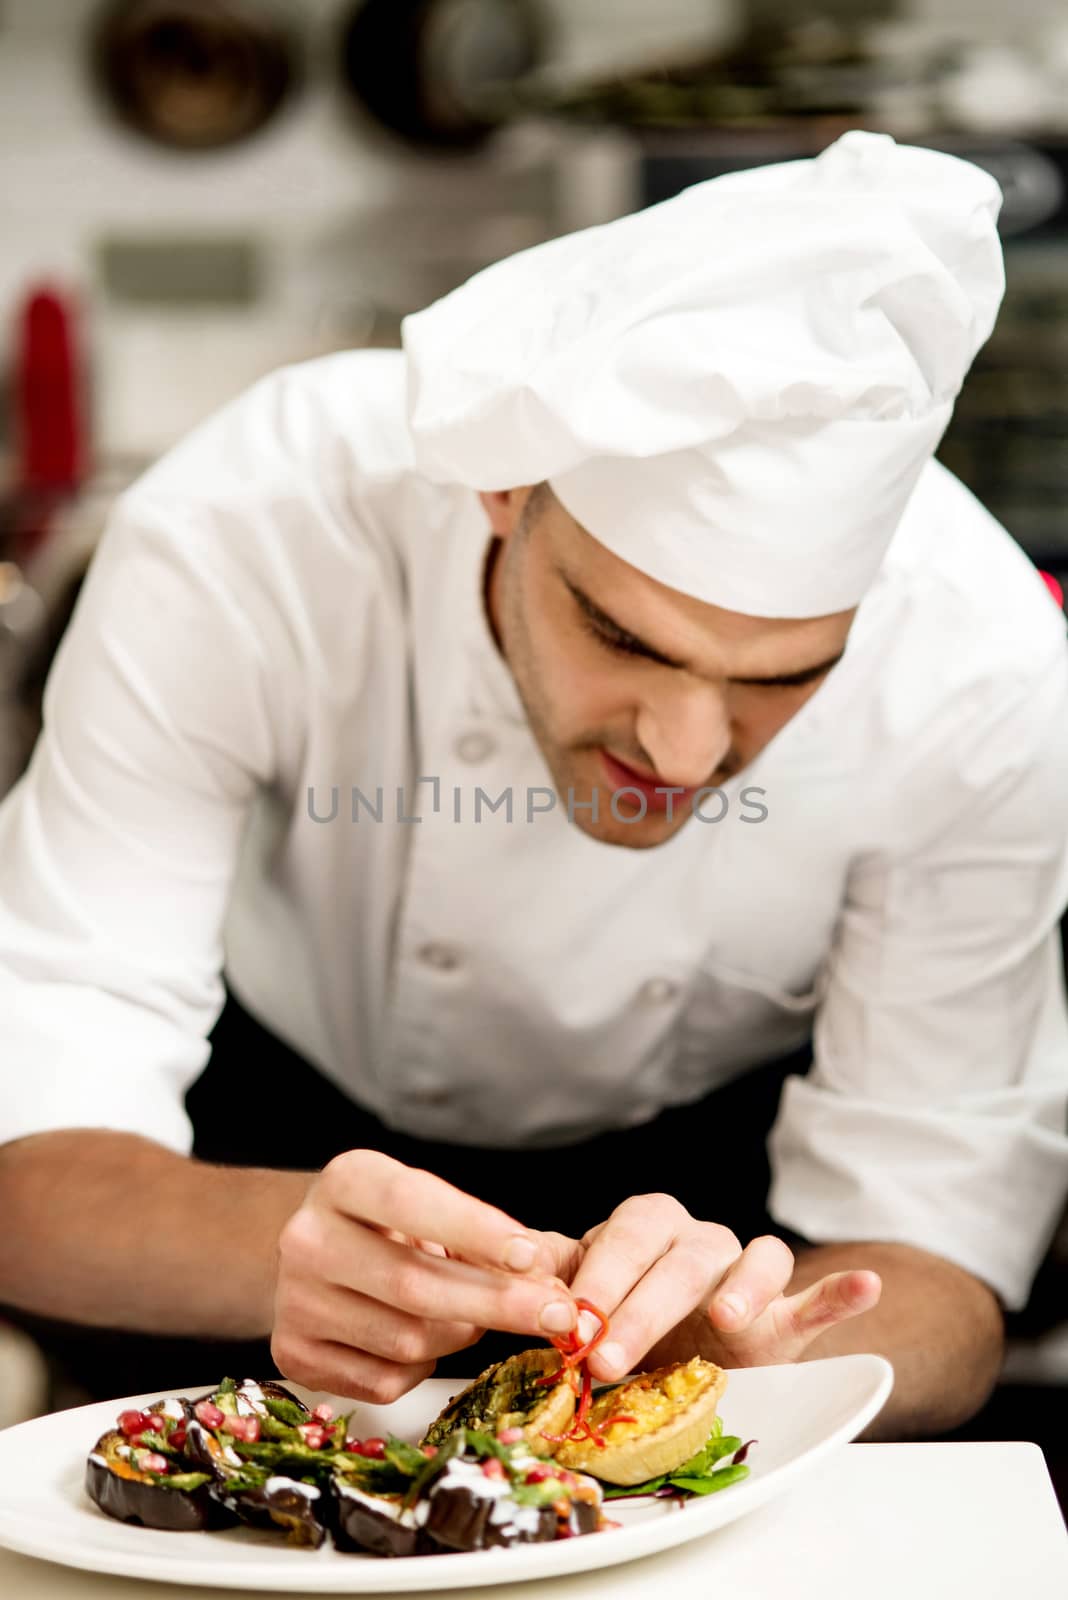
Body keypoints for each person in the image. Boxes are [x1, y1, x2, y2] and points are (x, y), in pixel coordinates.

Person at [1, 131, 1066, 1441]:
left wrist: (769, 1344)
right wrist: (286, 1245)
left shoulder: (983, 667)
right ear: (506, 491)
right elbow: (27, 1174)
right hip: (254, 1154)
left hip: (698, 1219)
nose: (683, 751)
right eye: (624, 638)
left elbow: (947, 1277)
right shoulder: (254, 524)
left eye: (783, 678)